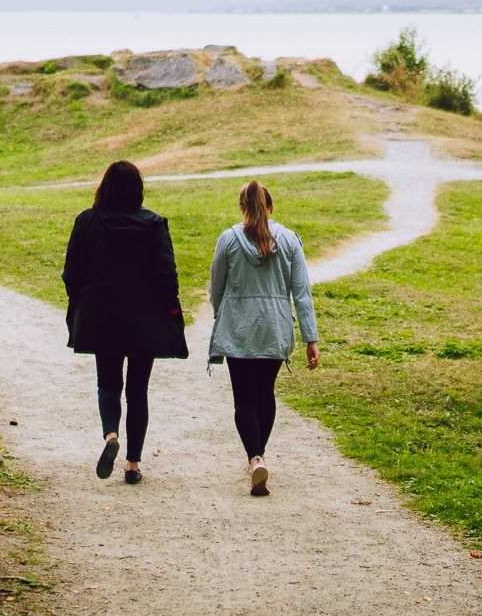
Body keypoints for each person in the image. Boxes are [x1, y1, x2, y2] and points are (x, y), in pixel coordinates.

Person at [62, 160, 187, 484]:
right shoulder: (154, 224)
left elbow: (71, 271)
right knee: (138, 391)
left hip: (102, 314)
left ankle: (110, 436)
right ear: (138, 189)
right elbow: (167, 274)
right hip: (144, 318)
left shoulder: (87, 221)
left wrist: (81, 300)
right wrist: (170, 307)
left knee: (108, 383)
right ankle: (132, 465)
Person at [205, 178, 319, 497]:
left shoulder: (228, 240)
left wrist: (221, 314)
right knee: (264, 393)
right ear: (271, 207)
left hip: (239, 326)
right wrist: (311, 338)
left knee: (243, 396)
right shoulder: (291, 241)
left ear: (243, 207)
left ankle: (255, 458)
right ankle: (259, 458)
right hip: (275, 326)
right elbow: (302, 294)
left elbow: (217, 286)